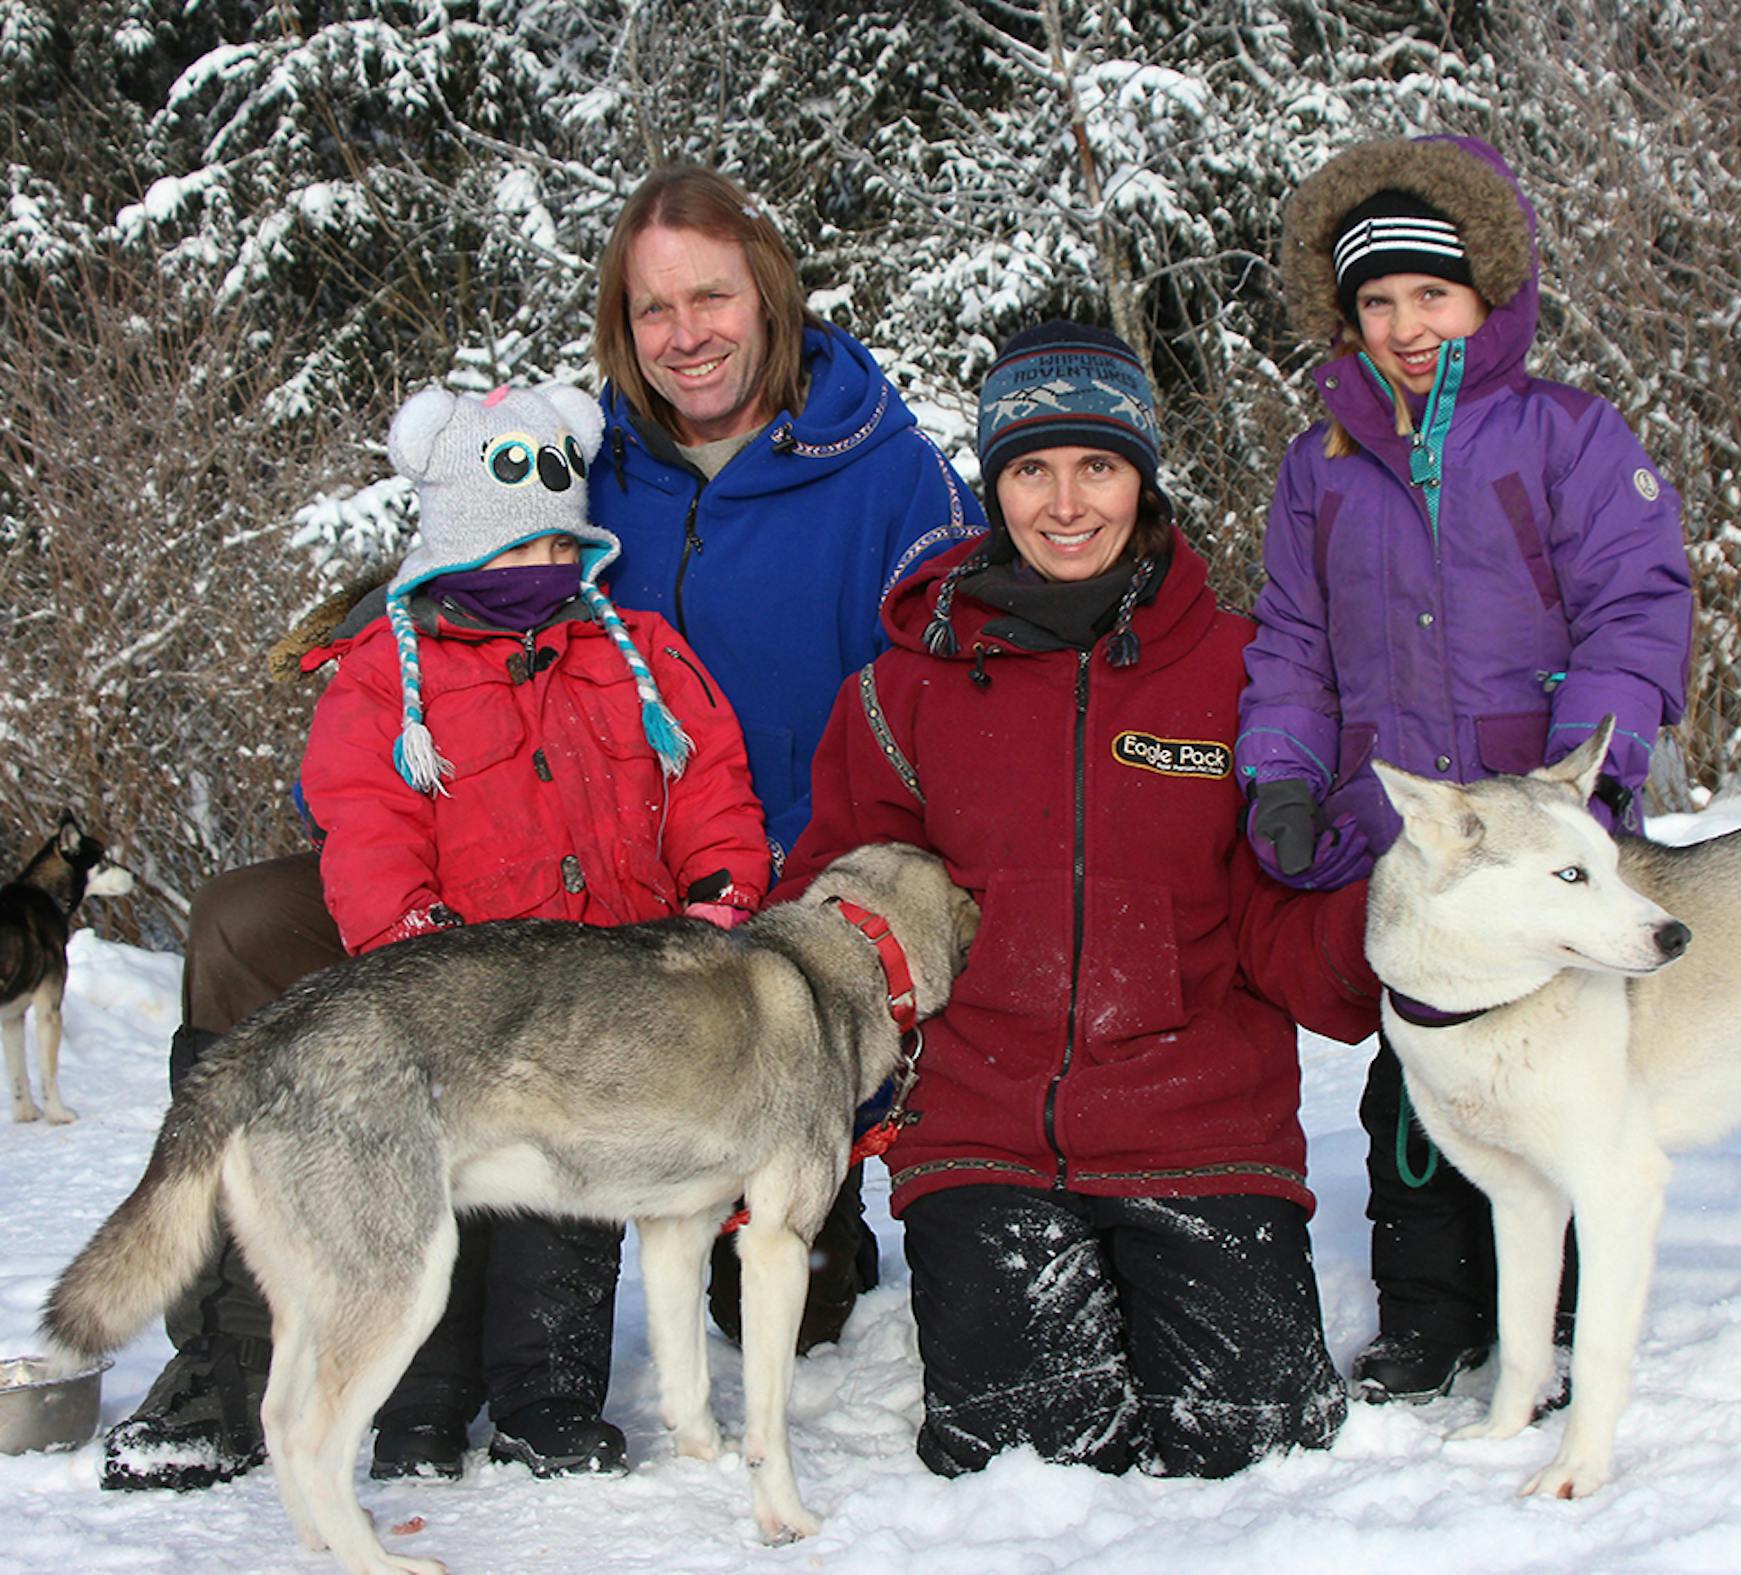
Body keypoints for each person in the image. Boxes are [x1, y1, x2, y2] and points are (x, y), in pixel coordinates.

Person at [101, 165, 985, 1493]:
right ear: (616, 335)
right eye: (651, 309)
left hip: (742, 915)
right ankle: (236, 1351)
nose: (685, 331)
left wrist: (796, 917)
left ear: (772, 296)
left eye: (711, 295)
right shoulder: (592, 455)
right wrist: (379, 688)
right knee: (240, 925)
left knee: (783, 1297)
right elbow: (457, 559)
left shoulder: (885, 477)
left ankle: (680, 1287)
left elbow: (957, 709)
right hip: (481, 898)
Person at [771, 321, 1382, 1478]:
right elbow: (839, 909)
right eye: (1030, 469)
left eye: (1096, 465)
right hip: (983, 1138)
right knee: (1025, 1471)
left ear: (1142, 477)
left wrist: (1384, 938)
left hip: (1202, 1133)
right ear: (992, 485)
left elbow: (1275, 915)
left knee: (1252, 1457)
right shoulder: (903, 695)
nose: (1065, 502)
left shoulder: (1246, 674)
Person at [1235, 135, 1694, 1405]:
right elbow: (1291, 643)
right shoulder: (1317, 471)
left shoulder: (1570, 438)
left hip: (1540, 835)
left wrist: (1586, 794)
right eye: (1376, 302)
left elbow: (1637, 610)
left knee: (1556, 1058)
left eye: (1430, 295)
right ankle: (1428, 1315)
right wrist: (1279, 769)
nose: (1405, 324)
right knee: (1420, 1079)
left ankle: (1549, 1318)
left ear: (1487, 295)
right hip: (1419, 847)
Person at [303, 381, 766, 1479]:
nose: (542, 575)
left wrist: (718, 890)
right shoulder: (387, 678)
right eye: (514, 553)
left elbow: (713, 783)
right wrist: (413, 942)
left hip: (606, 988)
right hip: (453, 993)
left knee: (569, 1196)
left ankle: (549, 1395)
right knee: (430, 1199)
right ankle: (418, 1401)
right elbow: (363, 823)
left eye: (560, 550)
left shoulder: (637, 649)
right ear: (453, 551)